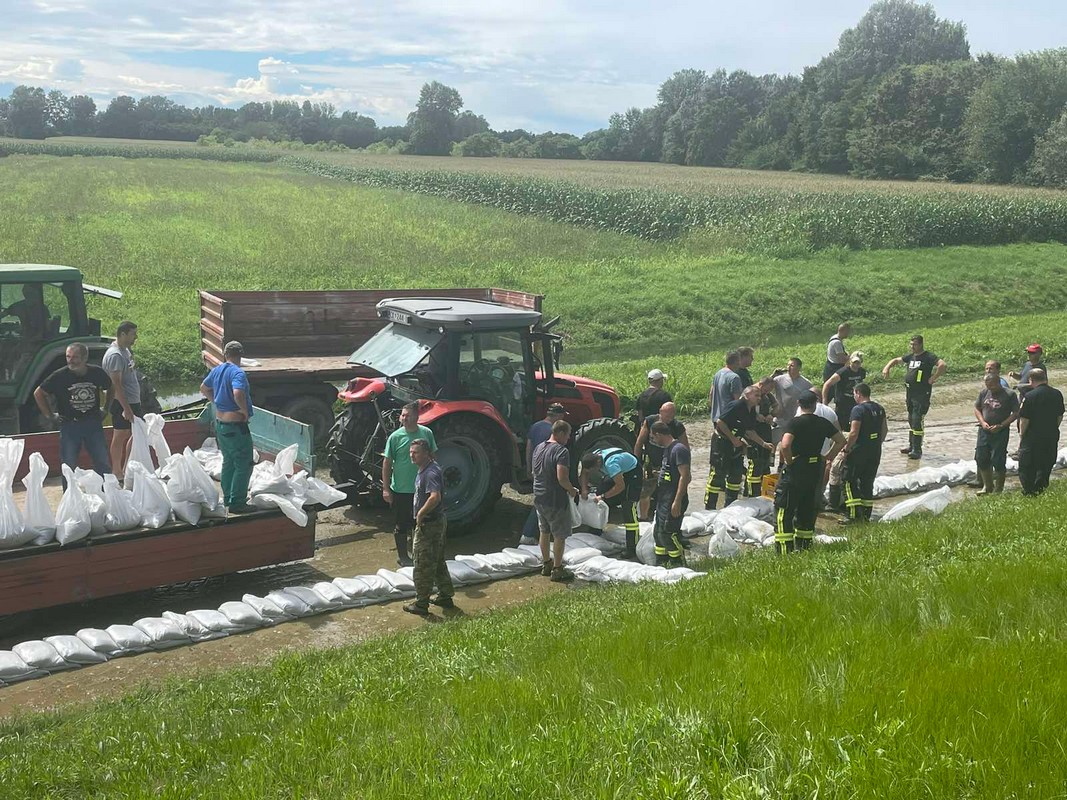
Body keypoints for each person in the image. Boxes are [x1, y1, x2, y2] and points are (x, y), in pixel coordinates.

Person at [775, 392, 846, 553]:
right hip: (815, 468)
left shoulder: (794, 423)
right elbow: (841, 441)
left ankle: (785, 550)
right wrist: (828, 457)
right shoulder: (823, 422)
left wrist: (789, 461)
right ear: (815, 404)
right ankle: (804, 547)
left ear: (799, 403)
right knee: (807, 506)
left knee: (784, 507)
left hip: (797, 466)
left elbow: (785, 445)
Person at [34, 343, 112, 480]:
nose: (71, 360)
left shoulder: (97, 372)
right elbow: (39, 393)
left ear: (85, 357)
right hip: (70, 426)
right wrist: (50, 415)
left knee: (102, 462)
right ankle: (69, 498)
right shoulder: (59, 376)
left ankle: (108, 495)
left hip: (93, 423)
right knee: (68, 465)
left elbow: (111, 387)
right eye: (68, 357)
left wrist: (106, 408)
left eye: (75, 357)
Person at [200, 340, 255, 513]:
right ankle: (238, 502)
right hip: (235, 426)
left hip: (221, 425)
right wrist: (243, 411)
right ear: (241, 355)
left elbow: (203, 388)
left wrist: (215, 401)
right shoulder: (238, 373)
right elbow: (238, 393)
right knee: (244, 463)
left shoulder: (217, 370)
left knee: (229, 461)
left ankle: (229, 498)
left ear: (225, 354)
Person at [403, 439, 456, 616]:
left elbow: (435, 497)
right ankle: (445, 595)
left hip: (430, 524)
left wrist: (420, 514)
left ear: (426, 453)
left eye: (415, 452)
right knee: (438, 560)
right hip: (436, 522)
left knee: (422, 563)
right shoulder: (426, 468)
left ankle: (421, 603)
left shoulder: (431, 472)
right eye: (411, 452)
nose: (412, 455)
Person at [382, 401, 438, 567]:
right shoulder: (395, 437)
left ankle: (420, 553)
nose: (403, 418)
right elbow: (387, 463)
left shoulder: (426, 433)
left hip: (421, 489)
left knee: (421, 523)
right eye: (402, 415)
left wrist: (436, 483)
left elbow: (434, 458)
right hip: (401, 489)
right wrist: (386, 489)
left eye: (407, 415)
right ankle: (403, 557)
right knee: (401, 525)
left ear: (416, 416)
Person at [706, 385, 773, 509]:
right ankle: (710, 507)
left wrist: (763, 443)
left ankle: (730, 506)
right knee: (718, 476)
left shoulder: (751, 409)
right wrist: (733, 438)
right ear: (746, 395)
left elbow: (749, 431)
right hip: (722, 443)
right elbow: (720, 422)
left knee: (736, 475)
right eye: (756, 395)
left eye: (759, 395)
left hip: (736, 444)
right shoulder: (736, 405)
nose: (759, 398)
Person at [881, 335, 946, 460]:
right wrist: (887, 367)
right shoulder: (910, 357)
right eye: (911, 344)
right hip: (910, 392)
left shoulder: (928, 356)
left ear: (921, 344)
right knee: (911, 418)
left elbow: (942, 365)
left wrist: (934, 377)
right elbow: (895, 360)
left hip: (922, 394)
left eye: (914, 344)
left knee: (917, 419)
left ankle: (917, 449)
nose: (912, 347)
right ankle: (911, 445)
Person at [532, 419, 579, 582]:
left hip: (539, 496)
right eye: (568, 434)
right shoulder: (561, 451)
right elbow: (562, 477)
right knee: (559, 534)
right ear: (560, 433)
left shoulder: (539, 447)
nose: (568, 438)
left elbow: (535, 472)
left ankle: (546, 564)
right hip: (555, 498)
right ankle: (558, 569)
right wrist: (572, 490)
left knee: (544, 531)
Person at [580, 445, 642, 558]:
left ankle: (632, 548)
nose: (593, 472)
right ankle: (596, 529)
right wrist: (584, 489)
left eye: (594, 470)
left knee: (628, 508)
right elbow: (584, 472)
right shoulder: (593, 456)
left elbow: (620, 486)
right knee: (599, 493)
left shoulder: (611, 464)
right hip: (619, 472)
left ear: (598, 464)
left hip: (633, 473)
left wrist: (603, 497)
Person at [520, 403, 568, 544]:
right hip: (548, 472)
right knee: (545, 504)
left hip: (536, 469)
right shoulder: (553, 432)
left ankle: (533, 534)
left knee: (539, 501)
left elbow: (529, 448)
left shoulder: (535, 426)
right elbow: (553, 454)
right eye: (563, 415)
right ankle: (529, 534)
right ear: (558, 416)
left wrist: (529, 467)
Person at [841, 383, 887, 524]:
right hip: (874, 450)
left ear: (858, 393)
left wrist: (847, 448)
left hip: (859, 450)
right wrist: (876, 444)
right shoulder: (879, 408)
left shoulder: (858, 410)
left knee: (849, 481)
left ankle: (854, 516)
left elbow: (854, 432)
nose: (854, 396)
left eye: (854, 393)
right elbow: (884, 430)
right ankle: (866, 515)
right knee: (868, 482)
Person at [634, 401, 688, 519]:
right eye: (667, 416)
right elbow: (639, 443)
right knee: (645, 491)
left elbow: (685, 449)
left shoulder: (677, 426)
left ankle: (666, 514)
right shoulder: (650, 421)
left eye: (672, 416)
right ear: (660, 412)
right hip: (651, 462)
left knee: (667, 491)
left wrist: (686, 472)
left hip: (669, 464)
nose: (669, 419)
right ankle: (643, 517)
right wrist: (637, 464)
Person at [102, 321, 142, 481]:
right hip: (123, 403)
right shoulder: (115, 356)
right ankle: (117, 471)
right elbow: (115, 385)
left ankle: (126, 468)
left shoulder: (125, 351)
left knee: (137, 433)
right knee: (120, 435)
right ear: (123, 334)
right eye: (133, 334)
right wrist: (127, 408)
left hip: (132, 400)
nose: (136, 337)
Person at [649, 420, 691, 567]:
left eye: (653, 438)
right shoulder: (667, 449)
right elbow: (670, 472)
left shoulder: (678, 449)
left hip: (673, 499)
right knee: (658, 532)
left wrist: (677, 501)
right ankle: (661, 562)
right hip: (664, 499)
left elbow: (685, 476)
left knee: (667, 533)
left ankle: (678, 562)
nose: (653, 441)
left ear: (658, 434)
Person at [1017, 369, 1064, 496]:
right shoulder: (1057, 394)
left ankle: (1029, 491)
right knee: (1045, 463)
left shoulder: (1030, 396)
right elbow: (1059, 416)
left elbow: (1024, 420)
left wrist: (1022, 435)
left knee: (1027, 465)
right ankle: (1040, 489)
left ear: (1031, 380)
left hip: (1032, 437)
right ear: (1045, 378)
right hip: (1050, 435)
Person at [973, 373, 1020, 496]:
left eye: (992, 385)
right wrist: (982, 422)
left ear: (998, 382)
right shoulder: (984, 393)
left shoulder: (1009, 394)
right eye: (988, 385)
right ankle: (987, 486)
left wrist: (1002, 425)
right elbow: (977, 408)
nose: (990, 388)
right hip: (984, 430)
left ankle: (999, 488)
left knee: (998, 459)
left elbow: (1015, 413)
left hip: (1001, 431)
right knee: (981, 457)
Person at [744, 377, 779, 497]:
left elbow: (777, 407)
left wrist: (771, 415)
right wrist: (755, 415)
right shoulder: (750, 393)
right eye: (766, 389)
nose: (765, 393)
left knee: (765, 462)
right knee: (755, 462)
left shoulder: (768, 396)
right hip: (753, 432)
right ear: (761, 384)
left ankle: (765, 492)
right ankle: (750, 493)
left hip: (765, 430)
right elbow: (742, 411)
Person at [821, 351, 866, 431]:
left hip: (855, 401)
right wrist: (824, 400)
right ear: (850, 361)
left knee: (856, 424)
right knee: (840, 426)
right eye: (854, 362)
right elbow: (827, 384)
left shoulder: (861, 372)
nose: (856, 365)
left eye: (858, 363)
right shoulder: (843, 372)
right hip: (843, 403)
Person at [773, 357, 813, 443]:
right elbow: (764, 385)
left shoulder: (806, 383)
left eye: (792, 365)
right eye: (788, 365)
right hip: (780, 417)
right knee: (775, 441)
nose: (788, 367)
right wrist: (773, 375)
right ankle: (772, 456)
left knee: (790, 442)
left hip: (795, 417)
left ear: (799, 368)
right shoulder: (778, 379)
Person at [709, 351, 742, 423]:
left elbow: (711, 393)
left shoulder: (718, 373)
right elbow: (738, 401)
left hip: (716, 417)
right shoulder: (734, 377)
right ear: (736, 361)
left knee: (719, 433)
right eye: (739, 360)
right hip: (728, 418)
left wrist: (713, 409)